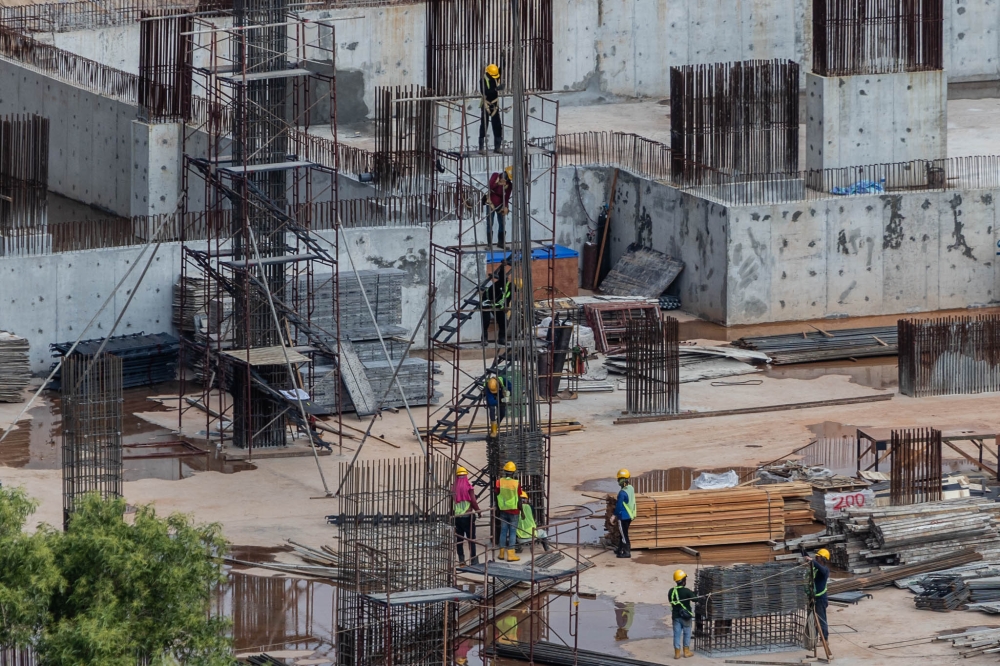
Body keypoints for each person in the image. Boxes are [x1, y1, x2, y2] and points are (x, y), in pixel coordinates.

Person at [494, 460, 522, 562]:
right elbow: (519, 499)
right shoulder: (516, 483)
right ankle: (511, 555)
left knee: (503, 531)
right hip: (514, 511)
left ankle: (501, 554)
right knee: (512, 532)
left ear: (505, 471)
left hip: (503, 509)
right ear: (513, 472)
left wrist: (497, 508)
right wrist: (522, 511)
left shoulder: (499, 482)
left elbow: (497, 495)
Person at [453, 466, 481, 565]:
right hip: (467, 516)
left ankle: (461, 560)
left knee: (459, 539)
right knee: (471, 539)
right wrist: (478, 511)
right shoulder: (468, 486)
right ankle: (473, 560)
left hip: (457, 517)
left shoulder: (454, 488)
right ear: (466, 476)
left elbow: (451, 503)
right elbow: (473, 501)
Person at [483, 166, 512, 248]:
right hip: (491, 203)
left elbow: (506, 197)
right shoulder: (495, 176)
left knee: (502, 223)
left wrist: (506, 206)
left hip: (500, 205)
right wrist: (498, 184)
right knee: (490, 223)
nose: (507, 180)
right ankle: (489, 244)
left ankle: (501, 242)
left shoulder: (509, 185)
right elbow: (490, 186)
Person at [480, 266, 510, 345]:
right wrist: (503, 268)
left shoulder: (510, 290)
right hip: (487, 302)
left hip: (496, 304)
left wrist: (505, 307)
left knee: (503, 321)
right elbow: (495, 300)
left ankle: (501, 338)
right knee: (486, 321)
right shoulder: (500, 285)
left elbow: (506, 300)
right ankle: (484, 339)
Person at [670, 569, 696, 659]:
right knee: (687, 633)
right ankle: (686, 652)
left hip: (675, 616)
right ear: (683, 580)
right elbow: (695, 599)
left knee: (676, 634)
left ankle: (677, 653)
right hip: (685, 617)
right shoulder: (686, 591)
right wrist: (693, 593)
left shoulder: (671, 591)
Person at [515, 489, 550, 554]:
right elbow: (532, 514)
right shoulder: (530, 507)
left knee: (512, 532)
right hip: (533, 535)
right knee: (543, 533)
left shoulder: (515, 508)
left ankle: (518, 548)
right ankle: (546, 548)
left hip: (520, 538)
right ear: (526, 499)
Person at [808, 548, 831, 646]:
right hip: (814, 598)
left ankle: (824, 640)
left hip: (821, 599)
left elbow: (820, 568)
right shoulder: (816, 569)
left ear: (822, 558)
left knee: (821, 619)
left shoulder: (824, 570)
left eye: (817, 557)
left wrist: (811, 561)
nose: (816, 558)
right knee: (813, 620)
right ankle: (814, 638)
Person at [479, 63, 503, 153]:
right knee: (484, 125)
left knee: (497, 125)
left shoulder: (495, 77)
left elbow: (499, 72)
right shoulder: (483, 80)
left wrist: (503, 62)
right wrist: (496, 89)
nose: (495, 77)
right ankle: (481, 148)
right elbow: (486, 91)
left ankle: (497, 147)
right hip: (486, 104)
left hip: (495, 105)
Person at [613, 468, 636, 558]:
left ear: (621, 480)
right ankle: (619, 549)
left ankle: (627, 552)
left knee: (624, 535)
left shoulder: (622, 493)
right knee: (623, 533)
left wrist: (614, 515)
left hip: (623, 516)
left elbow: (618, 506)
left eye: (618, 479)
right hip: (630, 515)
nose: (618, 481)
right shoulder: (630, 488)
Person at [484, 374, 511, 438]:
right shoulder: (488, 387)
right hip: (492, 398)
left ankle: (496, 426)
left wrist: (509, 393)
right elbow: (491, 402)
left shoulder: (502, 380)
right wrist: (501, 401)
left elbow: (510, 385)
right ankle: (493, 430)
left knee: (502, 413)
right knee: (492, 409)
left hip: (500, 395)